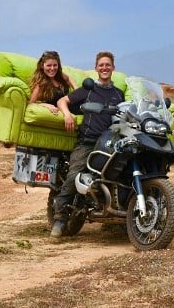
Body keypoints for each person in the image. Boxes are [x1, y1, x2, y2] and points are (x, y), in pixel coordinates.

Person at [51, 51, 125, 237]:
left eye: (108, 65)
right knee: (74, 175)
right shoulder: (89, 89)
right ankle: (59, 220)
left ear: (113, 68)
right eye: (101, 65)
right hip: (88, 141)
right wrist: (67, 114)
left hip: (110, 143)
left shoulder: (119, 94)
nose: (105, 68)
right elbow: (63, 100)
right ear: (96, 68)